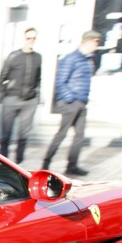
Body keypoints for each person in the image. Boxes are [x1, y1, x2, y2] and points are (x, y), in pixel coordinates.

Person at [42, 30, 101, 176]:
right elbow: (60, 81)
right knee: (61, 134)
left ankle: (72, 165)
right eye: (96, 42)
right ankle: (46, 163)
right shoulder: (71, 59)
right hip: (70, 103)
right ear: (88, 41)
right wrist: (71, 99)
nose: (97, 45)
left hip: (81, 102)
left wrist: (82, 100)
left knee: (79, 135)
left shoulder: (88, 60)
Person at [0, 28, 42, 163]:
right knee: (6, 134)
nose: (31, 41)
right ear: (24, 39)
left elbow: (38, 78)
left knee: (23, 134)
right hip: (12, 98)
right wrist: (4, 94)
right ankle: (4, 162)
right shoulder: (14, 56)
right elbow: (3, 76)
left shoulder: (38, 57)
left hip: (29, 101)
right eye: (29, 38)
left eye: (34, 38)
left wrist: (36, 97)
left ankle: (19, 162)